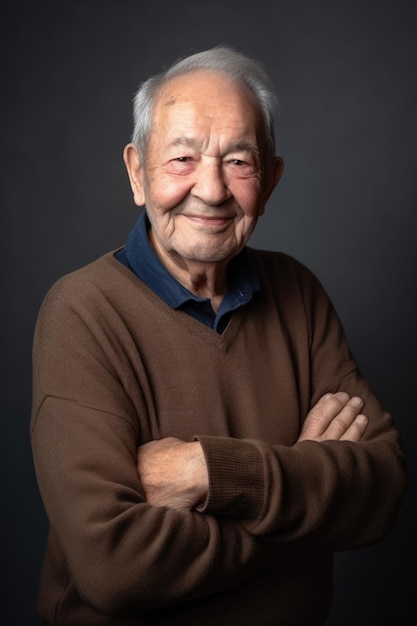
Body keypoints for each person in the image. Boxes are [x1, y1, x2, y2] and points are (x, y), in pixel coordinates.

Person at [30, 46, 407, 626]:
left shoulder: (298, 292)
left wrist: (206, 472)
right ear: (136, 172)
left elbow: (381, 491)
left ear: (272, 179)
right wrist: (301, 496)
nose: (211, 189)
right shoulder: (81, 312)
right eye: (182, 158)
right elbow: (115, 566)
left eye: (238, 161)